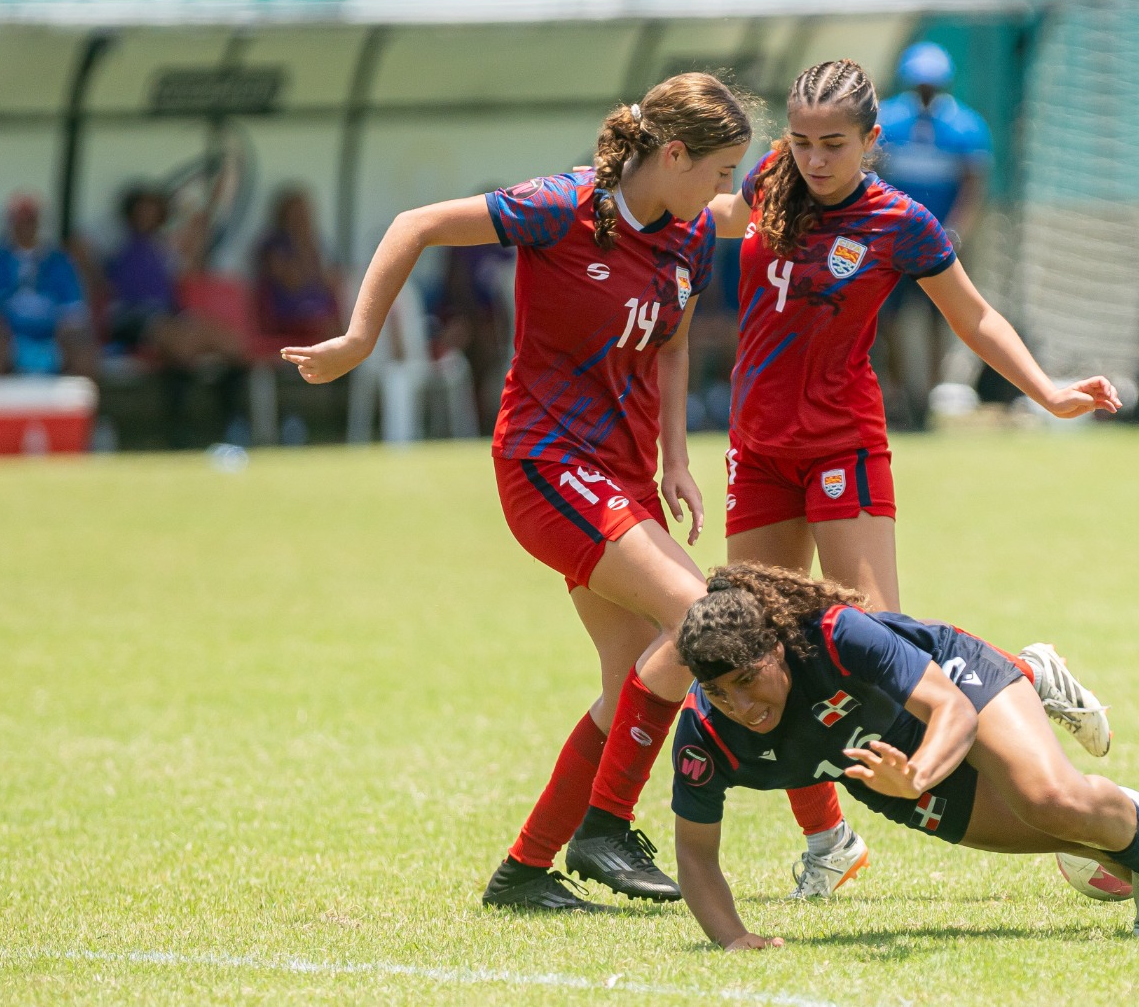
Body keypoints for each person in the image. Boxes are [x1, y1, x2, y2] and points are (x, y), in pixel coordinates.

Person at [280, 73, 850, 912]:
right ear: (673, 153)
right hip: (545, 466)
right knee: (699, 620)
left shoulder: (688, 233)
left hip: (619, 477)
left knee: (633, 682)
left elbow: (670, 346)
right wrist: (362, 336)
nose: (726, 193)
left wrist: (676, 460)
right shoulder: (563, 207)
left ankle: (525, 871)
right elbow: (417, 225)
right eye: (722, 172)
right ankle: (606, 826)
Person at [685, 58, 1119, 894]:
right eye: (803, 142)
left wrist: (1048, 392)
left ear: (871, 142)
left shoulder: (900, 222)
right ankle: (832, 846)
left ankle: (1025, 678)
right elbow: (725, 218)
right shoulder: (776, 178)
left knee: (874, 640)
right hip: (758, 449)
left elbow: (976, 314)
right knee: (762, 646)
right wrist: (641, 209)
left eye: (834, 145)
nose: (815, 160)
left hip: (843, 445)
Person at [669, 564, 1139, 949]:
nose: (742, 705)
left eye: (747, 681)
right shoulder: (706, 735)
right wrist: (735, 939)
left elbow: (948, 707)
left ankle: (1036, 684)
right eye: (720, 693)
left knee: (1052, 798)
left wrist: (918, 773)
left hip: (956, 684)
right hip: (888, 773)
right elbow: (697, 856)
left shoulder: (834, 635)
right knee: (1089, 834)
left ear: (773, 650)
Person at [873, 42, 994, 429]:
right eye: (919, 85)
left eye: (932, 86)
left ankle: (926, 396)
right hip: (893, 242)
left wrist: (955, 232)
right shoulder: (888, 122)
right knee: (886, 317)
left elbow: (972, 187)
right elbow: (874, 177)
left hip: (940, 241)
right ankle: (897, 394)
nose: (925, 93)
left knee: (938, 317)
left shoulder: (966, 126)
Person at [105, 184, 249, 445]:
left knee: (230, 342)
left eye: (153, 211)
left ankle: (232, 424)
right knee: (181, 345)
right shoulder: (121, 251)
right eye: (142, 212)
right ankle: (179, 429)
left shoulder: (164, 249)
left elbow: (195, 242)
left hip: (171, 316)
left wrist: (211, 200)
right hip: (133, 320)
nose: (148, 217)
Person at [0, 193, 97, 378]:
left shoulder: (58, 260)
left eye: (29, 220)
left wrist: (57, 342)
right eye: (19, 221)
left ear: (37, 223)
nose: (24, 226)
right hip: (9, 337)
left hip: (53, 337)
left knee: (85, 354)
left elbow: (74, 313)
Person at [432, 203, 517, 433]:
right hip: (458, 317)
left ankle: (494, 416)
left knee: (503, 349)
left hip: (499, 323)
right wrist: (476, 323)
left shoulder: (506, 247)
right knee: (473, 342)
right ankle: (476, 421)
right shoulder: (461, 245)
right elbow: (457, 290)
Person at [254, 187, 344, 349]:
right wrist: (302, 245)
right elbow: (291, 282)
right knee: (330, 331)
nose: (302, 217)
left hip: (318, 312)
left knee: (350, 327)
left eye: (305, 211)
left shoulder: (317, 243)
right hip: (288, 316)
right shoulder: (273, 244)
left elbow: (330, 282)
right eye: (296, 212)